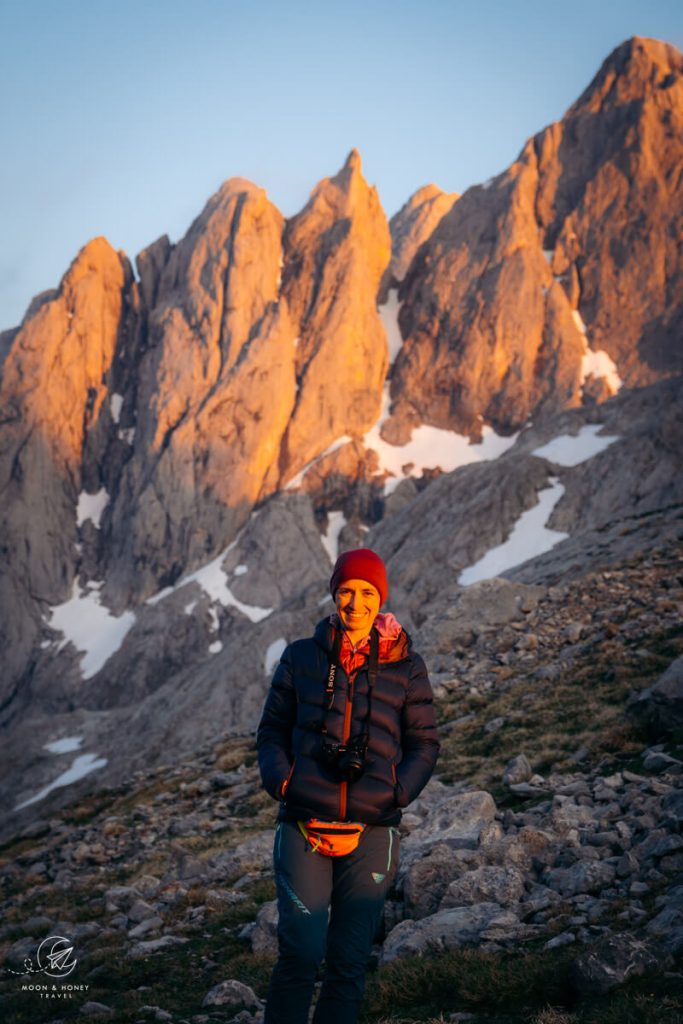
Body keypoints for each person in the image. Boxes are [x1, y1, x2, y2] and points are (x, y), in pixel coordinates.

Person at [257, 547, 439, 1024]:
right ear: (334, 595)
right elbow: (272, 730)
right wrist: (284, 783)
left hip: (373, 830)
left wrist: (396, 794)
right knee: (300, 952)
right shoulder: (301, 656)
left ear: (380, 598)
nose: (355, 603)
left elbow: (424, 741)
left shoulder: (407, 666)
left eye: (366, 593)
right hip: (303, 824)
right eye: (346, 591)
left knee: (349, 961)